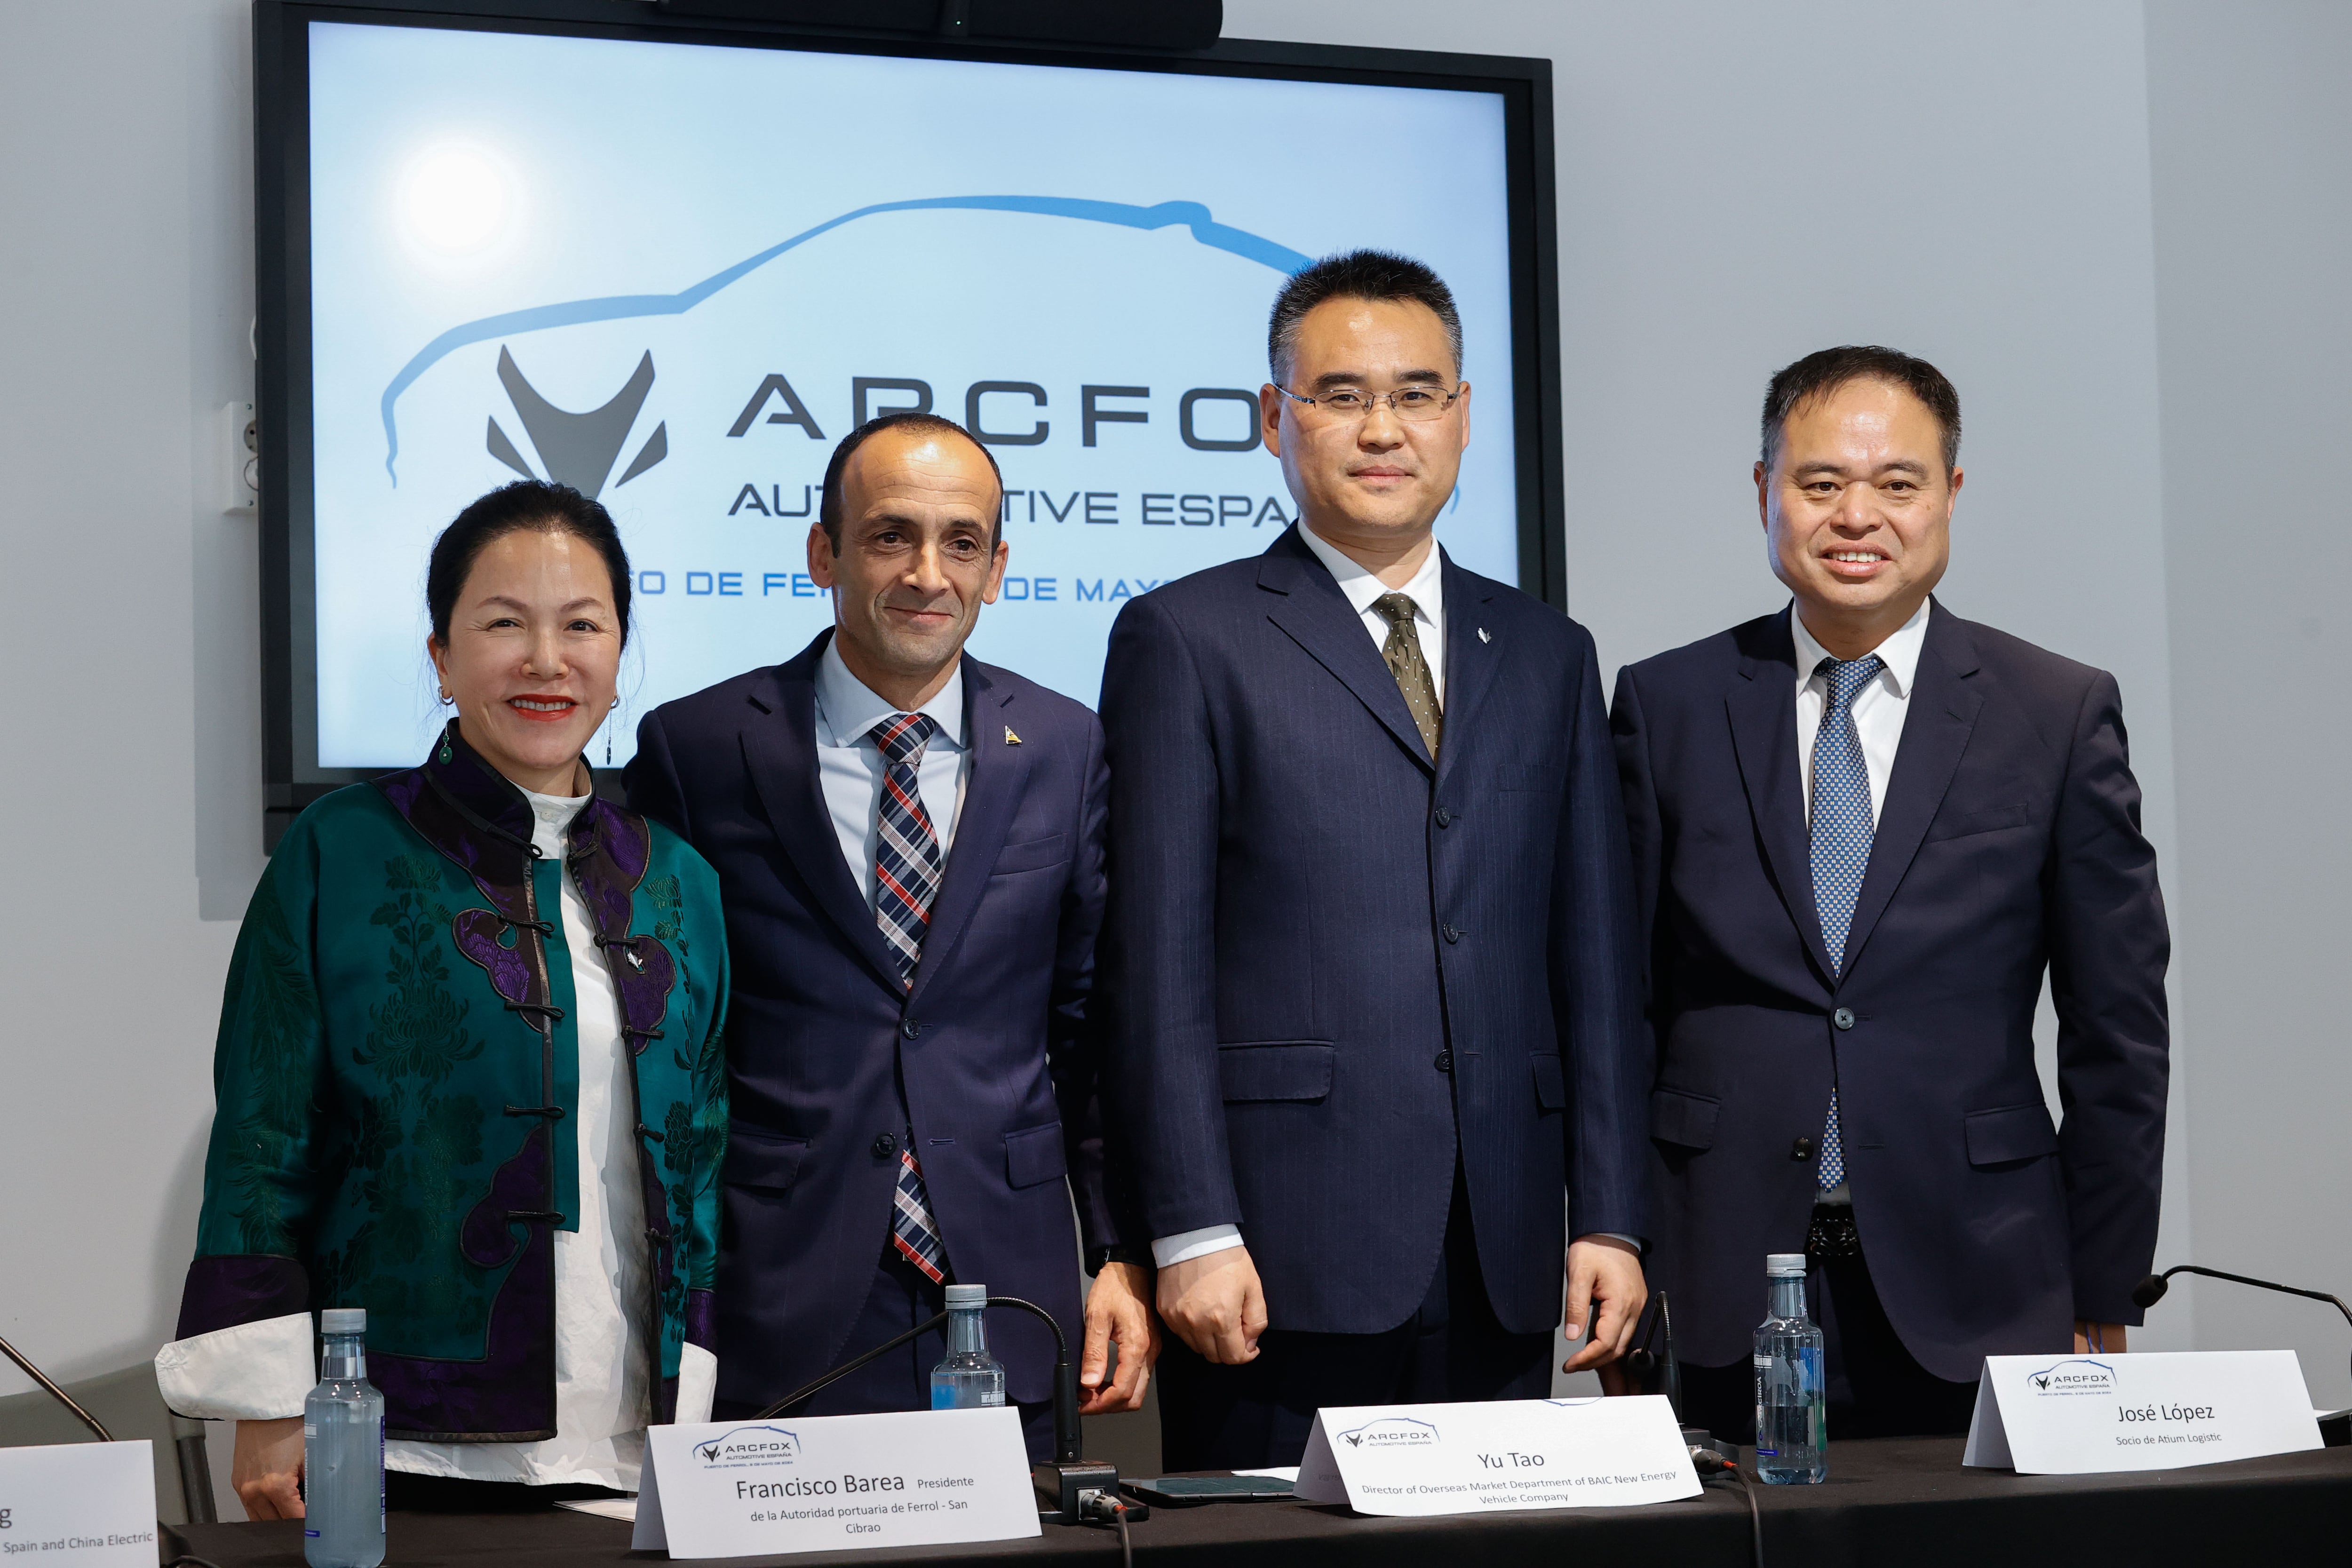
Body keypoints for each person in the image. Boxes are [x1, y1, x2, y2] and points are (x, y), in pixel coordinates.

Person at [1098, 251, 1652, 1471]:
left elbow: (1595, 964)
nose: (1382, 427)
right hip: (1276, 1255)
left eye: (1415, 394)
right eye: (1341, 394)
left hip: (1505, 1246)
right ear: (1272, 418)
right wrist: (1191, 1224)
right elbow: (1156, 964)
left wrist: (1609, 1212)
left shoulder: (1551, 652)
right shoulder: (1187, 636)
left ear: (1461, 415)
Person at [1610, 346, 2169, 1441]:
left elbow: (2118, 1027)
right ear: (1763, 490)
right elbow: (1617, 1007)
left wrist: (2103, 1283)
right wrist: (1621, 1248)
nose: (1855, 514)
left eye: (1896, 483)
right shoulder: (1664, 703)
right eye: (1819, 483)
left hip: (1982, 1270)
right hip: (1719, 1273)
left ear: (1950, 495)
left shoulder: (2054, 711)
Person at [155, 480, 731, 1514]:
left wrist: (701, 1382)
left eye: (582, 625)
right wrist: (267, 1399)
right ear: (441, 656)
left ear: (618, 656)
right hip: (397, 1433)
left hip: (636, 1447)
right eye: (504, 623)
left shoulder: (679, 881)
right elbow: (263, 1134)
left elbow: (704, 1157)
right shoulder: (341, 851)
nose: (546, 660)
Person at [625, 412, 1154, 1457]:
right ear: (823, 551)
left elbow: (1092, 1021)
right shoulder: (697, 746)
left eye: (961, 542)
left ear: (998, 568)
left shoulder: (1063, 742)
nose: (927, 572)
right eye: (888, 536)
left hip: (1006, 1283)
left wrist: (1118, 1250)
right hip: (784, 1280)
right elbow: (665, 1044)